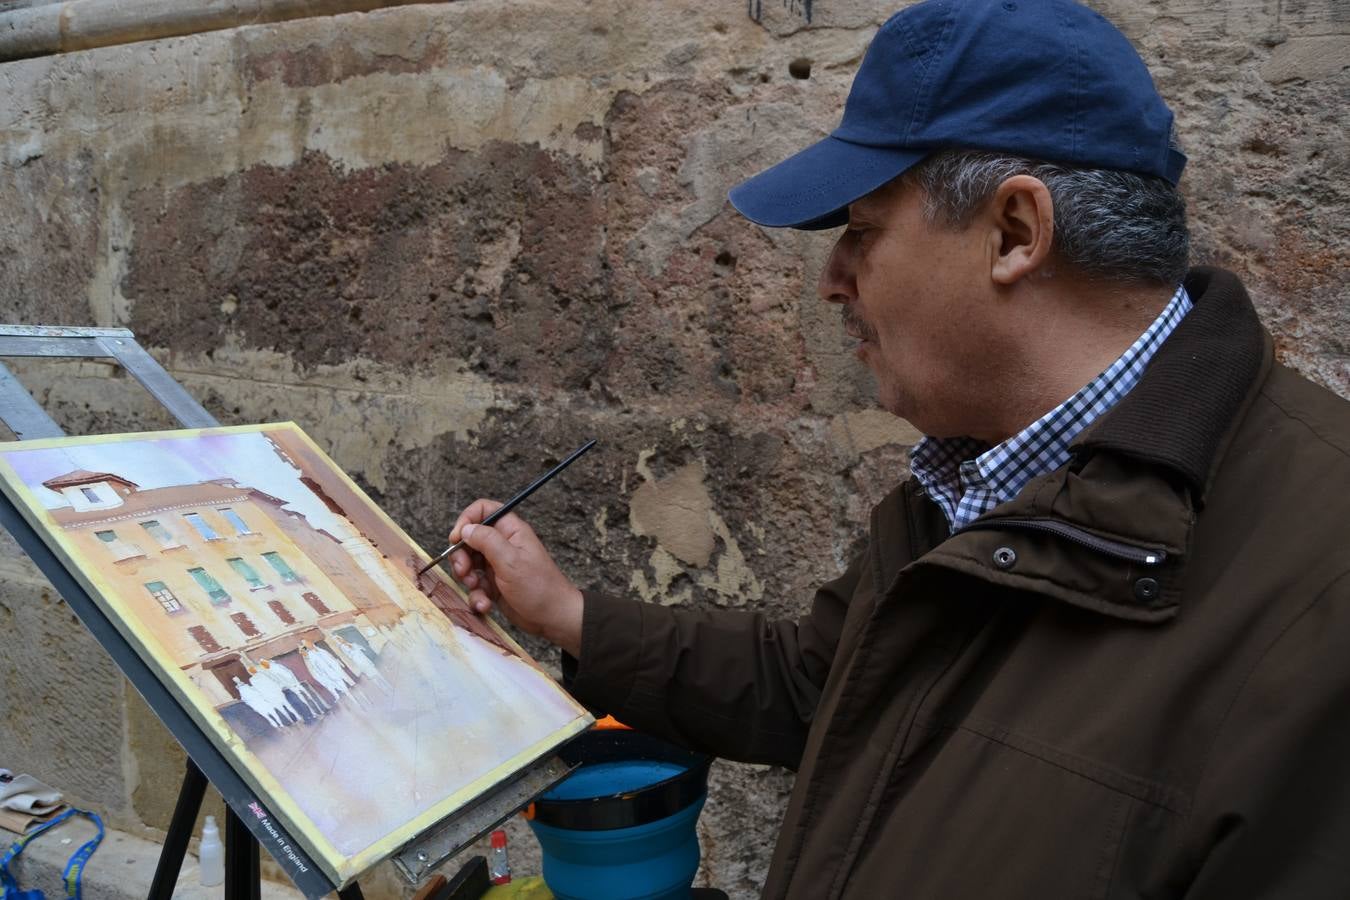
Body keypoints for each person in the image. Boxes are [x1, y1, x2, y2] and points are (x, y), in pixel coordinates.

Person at [445, 1, 1350, 896]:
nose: (833, 281)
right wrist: (565, 613)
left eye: (863, 231)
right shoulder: (980, 475)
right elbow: (820, 682)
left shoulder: (1315, 592)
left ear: (1015, 234)